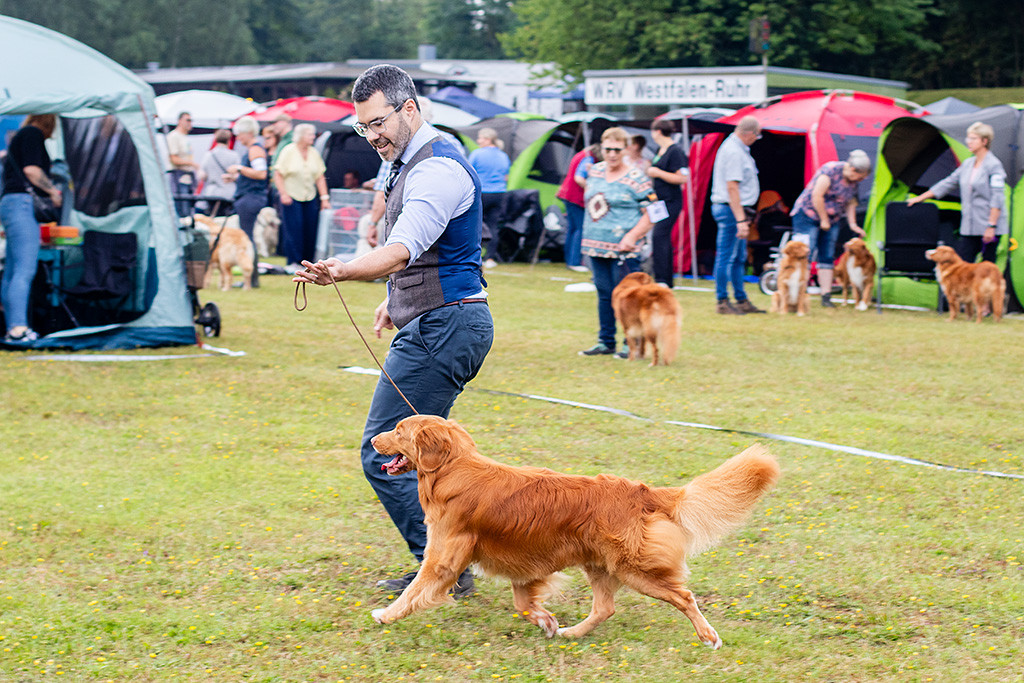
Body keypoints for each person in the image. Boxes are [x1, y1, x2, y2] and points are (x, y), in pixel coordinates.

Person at [292, 64, 492, 597]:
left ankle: (446, 570)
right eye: (362, 127)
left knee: (385, 452)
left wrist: (342, 269)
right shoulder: (408, 160)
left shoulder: (436, 170)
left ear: (409, 109)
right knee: (430, 457)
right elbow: (423, 255)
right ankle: (456, 562)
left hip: (446, 326)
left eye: (377, 122)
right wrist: (393, 300)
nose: (371, 136)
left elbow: (402, 248)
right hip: (441, 320)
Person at [578, 127, 657, 357]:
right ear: (601, 149)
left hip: (625, 249)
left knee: (628, 298)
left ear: (626, 150)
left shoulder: (637, 177)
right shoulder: (595, 172)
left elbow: (655, 211)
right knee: (604, 293)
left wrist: (632, 236)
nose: (612, 154)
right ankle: (605, 341)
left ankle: (631, 342)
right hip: (596, 245)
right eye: (608, 149)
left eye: (617, 150)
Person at [908, 122, 1007, 264]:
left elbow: (997, 197)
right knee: (962, 265)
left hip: (988, 228)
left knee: (987, 269)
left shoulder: (994, 165)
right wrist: (920, 198)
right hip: (969, 227)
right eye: (968, 138)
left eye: (973, 138)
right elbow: (947, 183)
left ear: (984, 141)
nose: (968, 142)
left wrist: (991, 226)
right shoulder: (968, 164)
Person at [1, 114, 62, 344]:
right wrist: (52, 192)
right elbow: (32, 171)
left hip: (9, 204)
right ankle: (18, 329)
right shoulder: (33, 134)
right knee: (24, 270)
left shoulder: (19, 136)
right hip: (22, 204)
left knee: (12, 271)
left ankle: (12, 328)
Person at [789, 149, 872, 306]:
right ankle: (798, 294)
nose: (860, 180)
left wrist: (853, 225)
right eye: (860, 176)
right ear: (853, 169)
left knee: (827, 256)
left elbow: (851, 203)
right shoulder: (830, 170)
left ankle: (826, 296)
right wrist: (823, 219)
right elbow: (817, 195)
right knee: (804, 253)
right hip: (808, 215)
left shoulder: (853, 182)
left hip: (832, 219)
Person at [710, 116, 764, 314]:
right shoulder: (733, 151)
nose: (756, 139)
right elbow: (732, 187)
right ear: (748, 133)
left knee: (739, 256)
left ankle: (741, 300)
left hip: (734, 210)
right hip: (731, 210)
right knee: (727, 257)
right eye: (756, 136)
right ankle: (722, 301)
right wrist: (741, 219)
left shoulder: (738, 148)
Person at [273, 122, 330, 272]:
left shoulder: (313, 152)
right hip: (291, 195)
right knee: (294, 229)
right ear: (301, 136)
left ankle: (309, 262)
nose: (313, 137)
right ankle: (293, 262)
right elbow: (278, 174)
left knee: (311, 228)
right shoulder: (288, 151)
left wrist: (324, 198)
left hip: (309, 196)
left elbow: (319, 176)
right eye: (310, 134)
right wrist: (283, 194)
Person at [646, 119, 688, 288]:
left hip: (671, 200)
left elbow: (683, 178)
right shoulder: (659, 150)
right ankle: (662, 277)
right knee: (660, 238)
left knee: (660, 236)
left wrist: (658, 172)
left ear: (657, 131)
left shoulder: (675, 151)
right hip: (659, 200)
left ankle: (664, 279)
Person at [226, 115, 267, 287]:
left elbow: (261, 173)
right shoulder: (253, 149)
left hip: (250, 199)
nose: (238, 138)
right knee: (248, 238)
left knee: (247, 239)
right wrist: (236, 178)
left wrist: (240, 168)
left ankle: (251, 279)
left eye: (240, 134)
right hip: (250, 196)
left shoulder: (254, 150)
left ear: (249, 133)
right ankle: (251, 278)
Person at [468, 127, 510, 266]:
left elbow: (469, 172)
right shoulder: (503, 156)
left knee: (474, 224)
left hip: (482, 193)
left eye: (480, 138)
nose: (478, 141)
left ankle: (474, 256)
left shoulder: (477, 154)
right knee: (493, 226)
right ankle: (490, 258)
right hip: (499, 193)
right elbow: (506, 176)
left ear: (487, 139)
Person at [556, 147, 594, 273]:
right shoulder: (589, 158)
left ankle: (569, 259)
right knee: (579, 228)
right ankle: (574, 261)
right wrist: (592, 188)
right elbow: (579, 178)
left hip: (567, 195)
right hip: (576, 197)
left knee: (572, 229)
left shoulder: (582, 153)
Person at [196, 129, 239, 216]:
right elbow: (238, 175)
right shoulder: (234, 155)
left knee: (213, 219)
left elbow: (201, 175)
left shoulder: (208, 155)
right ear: (228, 140)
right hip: (228, 193)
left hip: (212, 193)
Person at [166, 111, 196, 217]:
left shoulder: (184, 137)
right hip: (177, 176)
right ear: (179, 121)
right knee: (181, 209)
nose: (190, 123)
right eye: (187, 120)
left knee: (188, 209)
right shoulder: (174, 136)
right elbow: (173, 159)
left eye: (191, 120)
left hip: (187, 177)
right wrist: (191, 163)